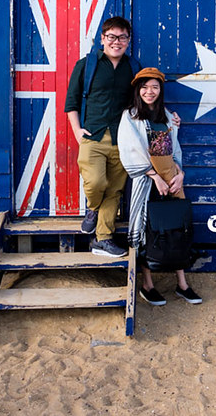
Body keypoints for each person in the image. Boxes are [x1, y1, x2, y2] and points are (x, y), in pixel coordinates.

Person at [117, 67, 202, 305]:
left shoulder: (166, 117)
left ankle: (182, 284)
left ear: (160, 90)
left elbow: (175, 149)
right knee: (149, 230)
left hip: (172, 179)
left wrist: (180, 174)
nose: (149, 91)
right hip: (147, 182)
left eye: (154, 87)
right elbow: (129, 149)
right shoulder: (131, 117)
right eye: (144, 87)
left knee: (177, 228)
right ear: (137, 90)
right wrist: (154, 176)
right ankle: (147, 285)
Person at [64, 16, 139, 258]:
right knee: (96, 183)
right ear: (103, 39)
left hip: (123, 138)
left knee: (115, 190)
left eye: (122, 37)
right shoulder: (86, 65)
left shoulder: (134, 68)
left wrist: (170, 116)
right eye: (112, 37)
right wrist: (77, 130)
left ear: (128, 40)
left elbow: (146, 99)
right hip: (93, 136)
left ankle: (103, 239)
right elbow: (71, 102)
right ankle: (93, 209)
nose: (117, 42)